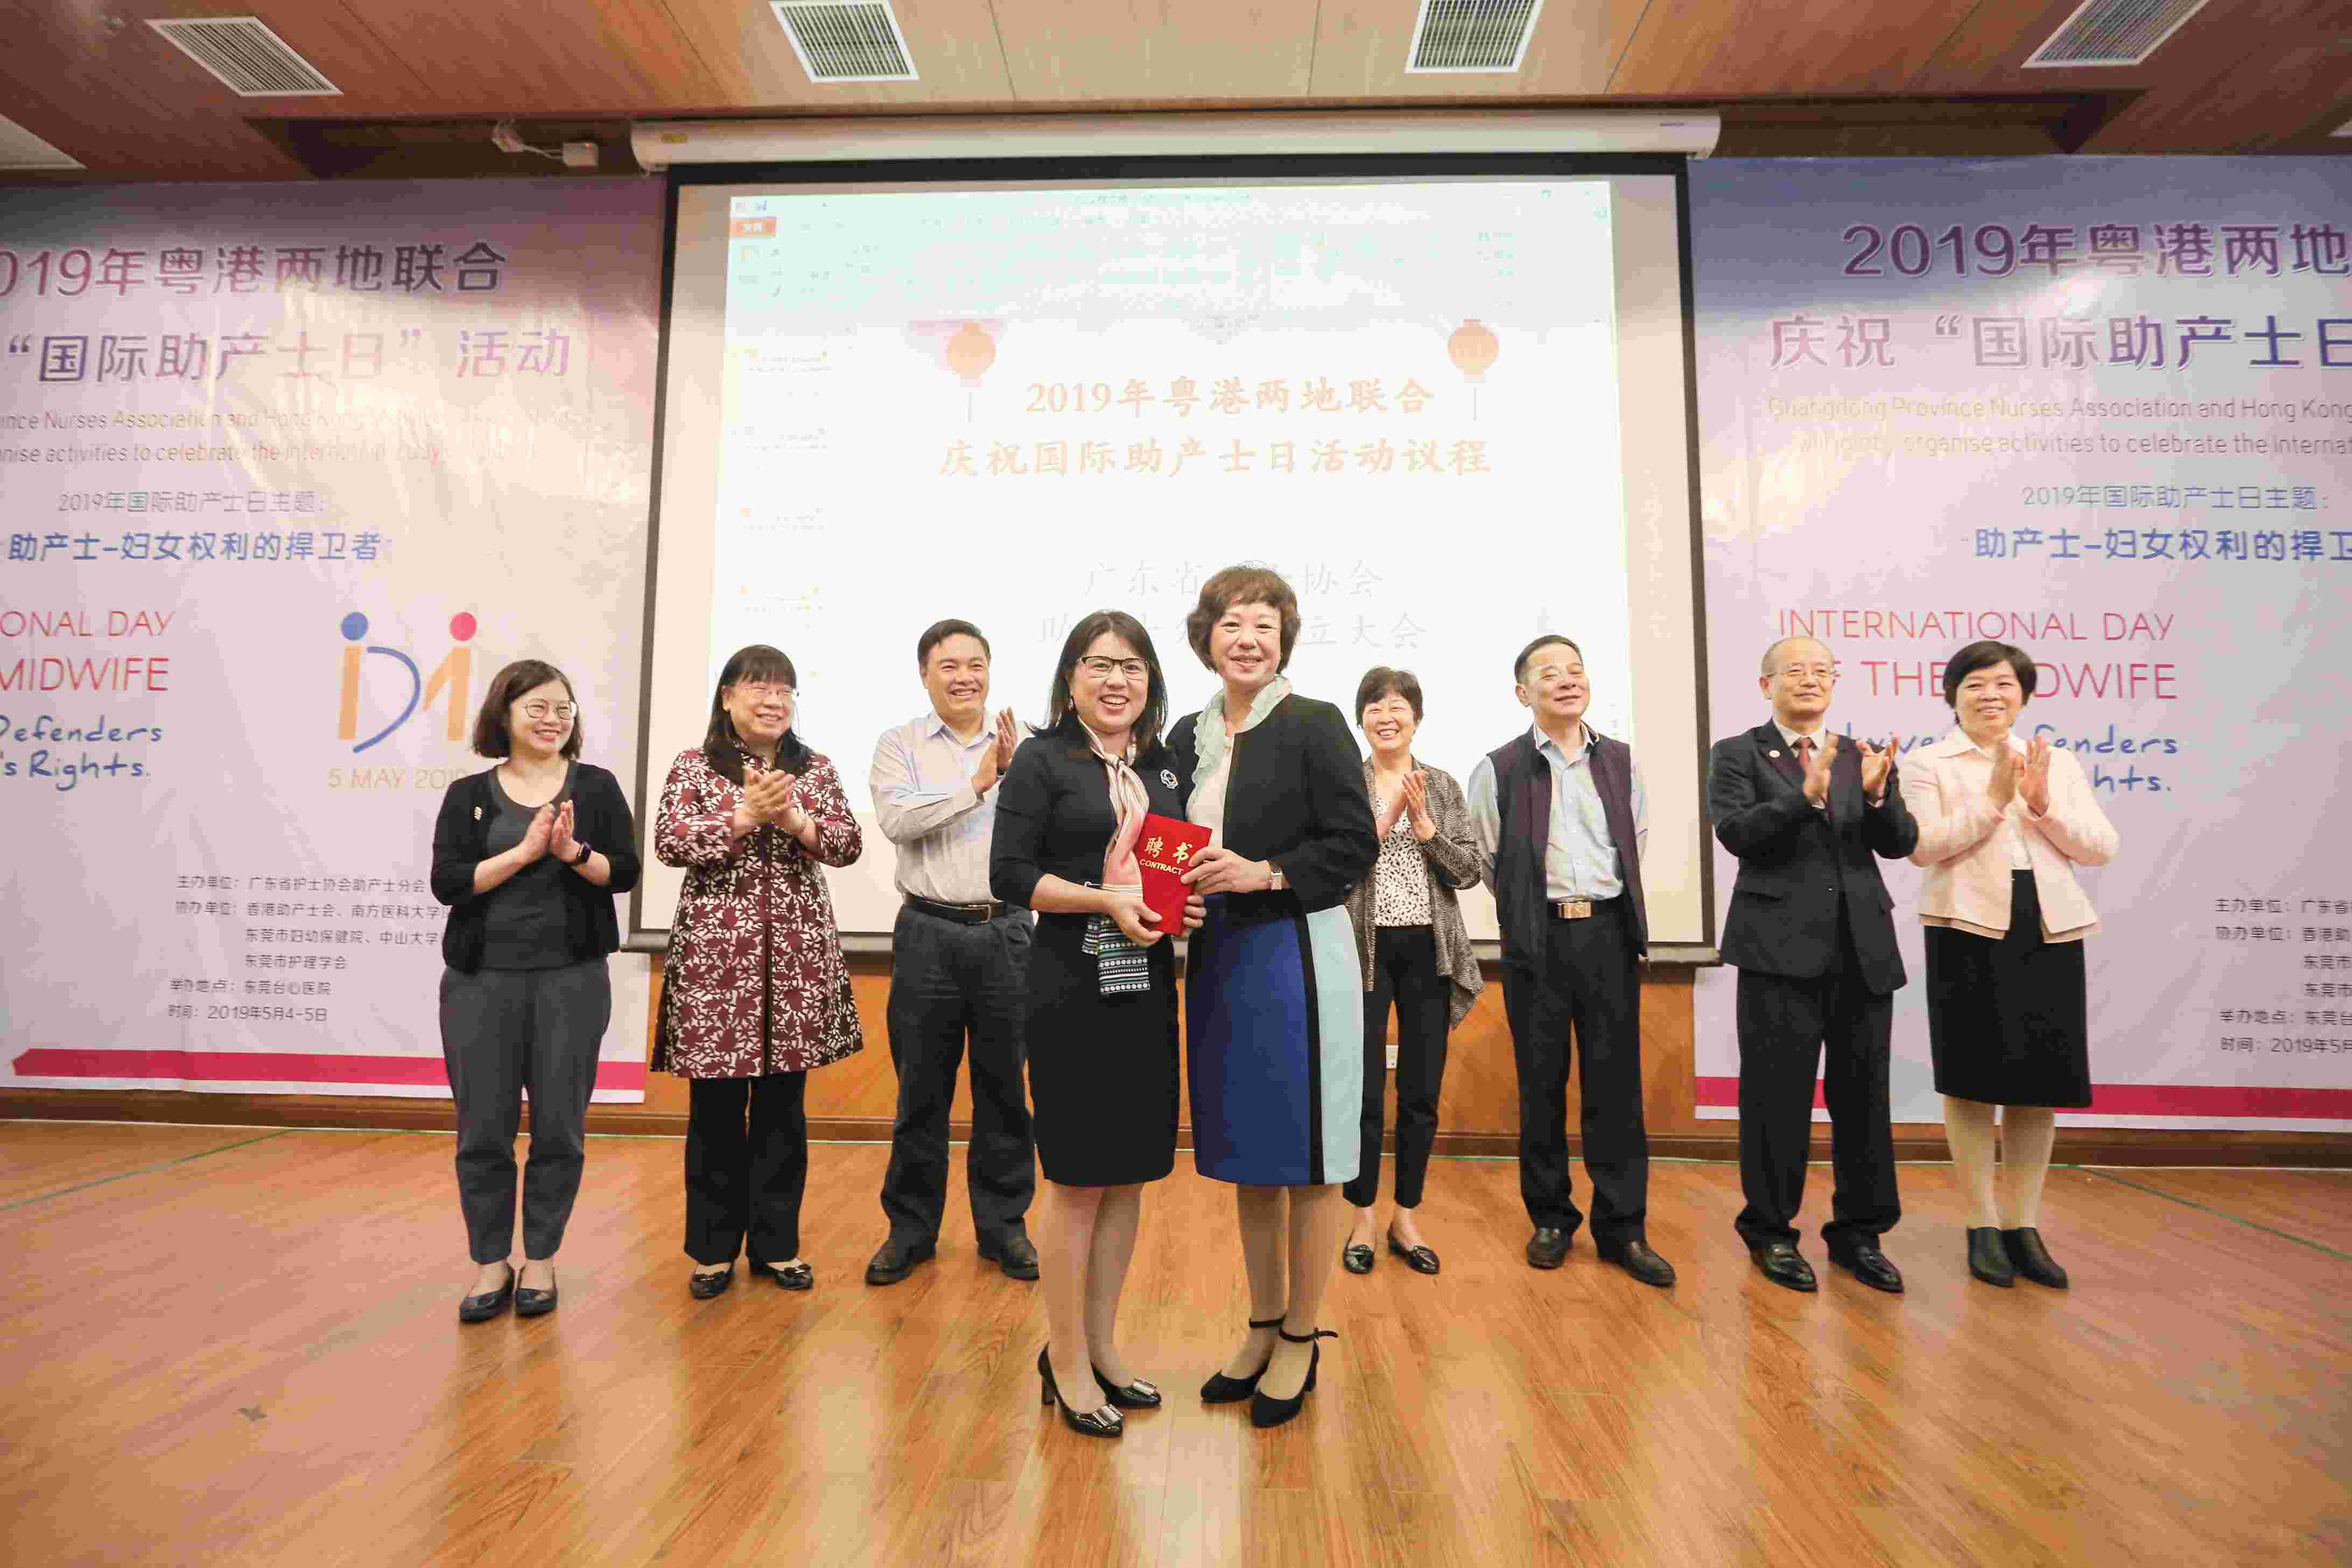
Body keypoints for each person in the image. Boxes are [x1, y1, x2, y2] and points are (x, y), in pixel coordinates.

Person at [1174, 566, 1379, 1429]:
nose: (1247, 636)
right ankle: (1260, 1325)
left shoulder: (1315, 722)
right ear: (1207, 637)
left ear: (1284, 638)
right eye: (1231, 622)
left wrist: (1268, 872)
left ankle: (1303, 1332)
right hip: (1217, 954)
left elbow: (1354, 842)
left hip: (1297, 950)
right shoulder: (1187, 732)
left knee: (1312, 1152)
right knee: (1249, 1151)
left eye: (1263, 623)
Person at [990, 610, 1200, 1438]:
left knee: (1129, 1173)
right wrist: (1104, 899)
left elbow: (1170, 871)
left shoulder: (1164, 766)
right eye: (1100, 665)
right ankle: (1064, 1358)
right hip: (1069, 979)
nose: (1117, 681)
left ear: (1151, 681)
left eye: (1133, 667)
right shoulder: (1042, 761)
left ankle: (1104, 1347)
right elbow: (1011, 876)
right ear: (1071, 678)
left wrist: (1182, 907)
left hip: (1146, 981)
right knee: (1077, 1179)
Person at [1901, 641, 2117, 1290]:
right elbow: (1922, 847)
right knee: (1972, 1079)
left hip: (2047, 927)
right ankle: (1980, 1225)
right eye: (1974, 684)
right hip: (1966, 925)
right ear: (1952, 695)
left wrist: (2043, 801)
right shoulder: (1927, 762)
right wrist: (1994, 800)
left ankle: (2024, 1225)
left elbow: (2101, 847)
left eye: (2003, 684)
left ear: (2023, 695)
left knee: (2040, 1082)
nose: (1989, 695)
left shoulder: (2055, 761)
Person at [430, 659, 641, 1323]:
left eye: (564, 709)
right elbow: (449, 883)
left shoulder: (597, 787)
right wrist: (523, 853)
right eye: (538, 708)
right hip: (479, 985)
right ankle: (491, 1261)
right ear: (505, 715)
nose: (554, 720)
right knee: (483, 1132)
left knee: (559, 1128)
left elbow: (625, 874)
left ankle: (542, 1258)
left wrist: (572, 852)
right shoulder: (468, 792)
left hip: (571, 983)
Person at [1708, 637, 1917, 1294]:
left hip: (1862, 949)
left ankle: (1860, 1232)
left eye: (1820, 670)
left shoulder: (1862, 754)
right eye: (1793, 670)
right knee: (1776, 1101)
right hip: (1776, 950)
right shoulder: (1738, 753)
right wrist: (1807, 794)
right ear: (1765, 683)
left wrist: (1880, 799)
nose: (1808, 679)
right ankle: (1770, 1231)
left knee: (1865, 1098)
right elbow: (1737, 834)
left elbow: (1900, 844)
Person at [653, 644, 863, 1298]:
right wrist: (743, 817)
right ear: (726, 697)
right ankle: (712, 1251)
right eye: (758, 688)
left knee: (783, 1112)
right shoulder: (696, 766)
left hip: (796, 965)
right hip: (719, 968)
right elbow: (668, 841)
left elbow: (848, 843)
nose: (774, 700)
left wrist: (795, 818)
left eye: (784, 690)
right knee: (714, 1112)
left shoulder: (815, 768)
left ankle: (777, 1246)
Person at [1469, 635, 1674, 1287]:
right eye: (1548, 674)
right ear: (1522, 693)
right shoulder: (1498, 768)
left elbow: (1632, 843)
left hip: (1608, 936)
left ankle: (1624, 1229)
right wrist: (1536, 912)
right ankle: (1552, 1219)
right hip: (1540, 942)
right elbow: (1488, 859)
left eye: (1576, 671)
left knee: (1616, 1090)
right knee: (1542, 1084)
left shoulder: (1620, 761)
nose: (1566, 682)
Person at [865, 620, 1037, 1287]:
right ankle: (910, 1232)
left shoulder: (1030, 749)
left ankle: (1004, 1229)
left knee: (1004, 1092)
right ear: (924, 674)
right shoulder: (899, 745)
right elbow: (898, 822)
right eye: (949, 666)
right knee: (920, 1094)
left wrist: (1016, 773)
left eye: (975, 664)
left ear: (990, 670)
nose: (964, 676)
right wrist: (979, 781)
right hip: (928, 934)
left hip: (1007, 933)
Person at [1338, 667, 1485, 1278]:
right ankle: (1362, 1216)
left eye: (1397, 706)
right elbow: (1337, 867)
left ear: (1416, 718)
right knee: (1365, 1091)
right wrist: (1387, 814)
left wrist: (1424, 829)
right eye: (1374, 706)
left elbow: (1469, 871)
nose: (1386, 716)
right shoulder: (1346, 784)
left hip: (1430, 951)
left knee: (1421, 1091)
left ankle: (1406, 1214)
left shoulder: (1444, 786)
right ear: (1362, 719)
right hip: (1363, 951)